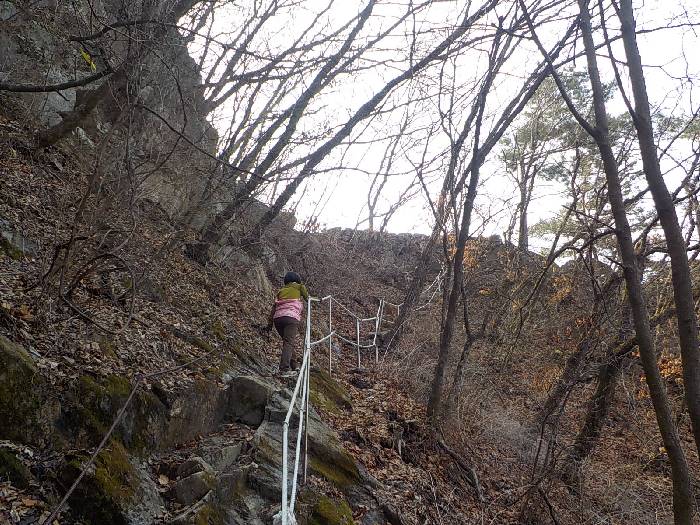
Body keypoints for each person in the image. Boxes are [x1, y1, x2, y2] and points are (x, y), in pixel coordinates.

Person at [267, 271, 309, 374]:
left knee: (287, 342)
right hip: (291, 318)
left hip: (278, 319)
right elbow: (308, 298)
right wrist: (319, 300)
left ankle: (294, 366)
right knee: (288, 343)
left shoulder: (281, 291)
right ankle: (284, 369)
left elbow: (274, 308)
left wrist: (269, 325)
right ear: (297, 279)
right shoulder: (299, 287)